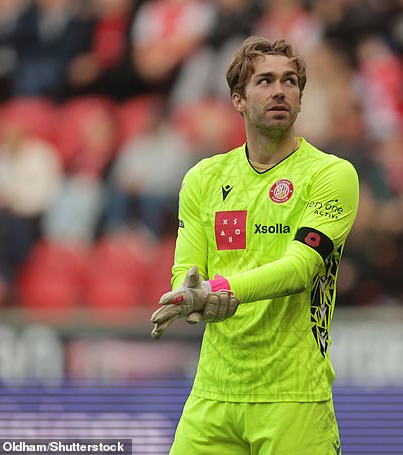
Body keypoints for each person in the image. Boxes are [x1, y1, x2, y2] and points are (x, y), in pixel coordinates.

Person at [150, 36, 359, 454]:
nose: (280, 90)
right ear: (238, 100)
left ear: (301, 99)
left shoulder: (331, 174)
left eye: (290, 81)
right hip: (213, 394)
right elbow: (187, 269)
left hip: (293, 396)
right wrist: (189, 293)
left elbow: (300, 268)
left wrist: (222, 290)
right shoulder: (203, 179)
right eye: (264, 81)